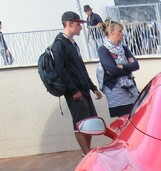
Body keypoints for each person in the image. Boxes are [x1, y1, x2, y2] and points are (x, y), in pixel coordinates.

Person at [52, 11, 103, 155]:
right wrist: (73, 90)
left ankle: (87, 151)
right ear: (69, 24)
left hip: (84, 89)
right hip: (75, 92)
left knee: (90, 122)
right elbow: (60, 70)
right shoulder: (59, 44)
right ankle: (86, 153)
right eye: (78, 24)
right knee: (80, 124)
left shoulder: (72, 44)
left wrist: (93, 88)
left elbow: (81, 68)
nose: (81, 28)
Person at [98, 19, 139, 118]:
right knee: (123, 120)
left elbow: (136, 65)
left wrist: (123, 66)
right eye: (120, 31)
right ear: (111, 32)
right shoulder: (103, 49)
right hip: (116, 90)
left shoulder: (124, 48)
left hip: (130, 88)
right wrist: (127, 70)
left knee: (136, 115)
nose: (122, 34)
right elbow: (112, 70)